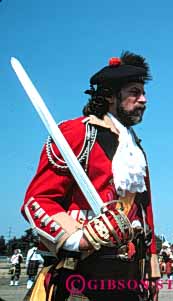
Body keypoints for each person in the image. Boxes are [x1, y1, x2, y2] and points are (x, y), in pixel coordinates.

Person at [21, 51, 160, 301]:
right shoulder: (77, 133)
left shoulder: (137, 149)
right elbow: (37, 200)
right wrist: (77, 237)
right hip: (82, 273)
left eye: (144, 92)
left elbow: (144, 210)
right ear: (109, 95)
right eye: (134, 92)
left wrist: (151, 268)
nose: (143, 100)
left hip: (129, 274)